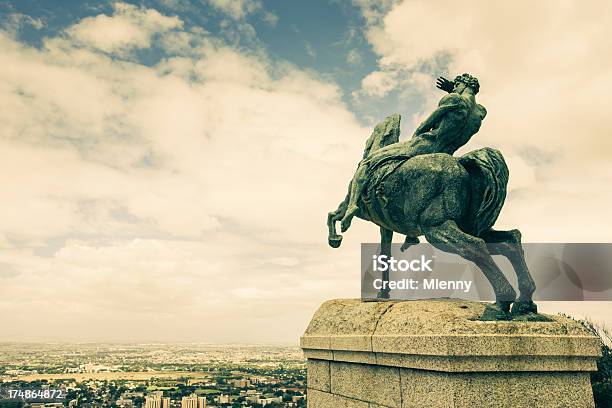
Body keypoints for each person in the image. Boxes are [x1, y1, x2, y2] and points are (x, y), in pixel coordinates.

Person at [340, 73, 487, 232]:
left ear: (463, 84)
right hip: (448, 151)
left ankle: (352, 205)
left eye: (457, 85)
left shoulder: (453, 99)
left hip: (425, 145)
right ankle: (411, 234)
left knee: (367, 162)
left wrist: (414, 140)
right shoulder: (479, 113)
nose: (455, 87)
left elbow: (426, 124)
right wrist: (455, 88)